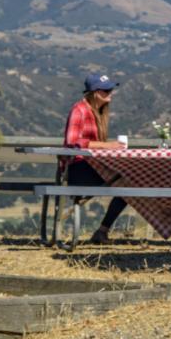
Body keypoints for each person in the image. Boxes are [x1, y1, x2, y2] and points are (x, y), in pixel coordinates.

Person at [63, 73, 128, 244]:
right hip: (78, 169)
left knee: (130, 181)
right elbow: (72, 141)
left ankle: (102, 232)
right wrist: (107, 146)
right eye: (106, 91)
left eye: (110, 90)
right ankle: (102, 231)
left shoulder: (98, 112)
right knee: (128, 181)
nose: (110, 93)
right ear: (95, 93)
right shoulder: (79, 110)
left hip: (92, 166)